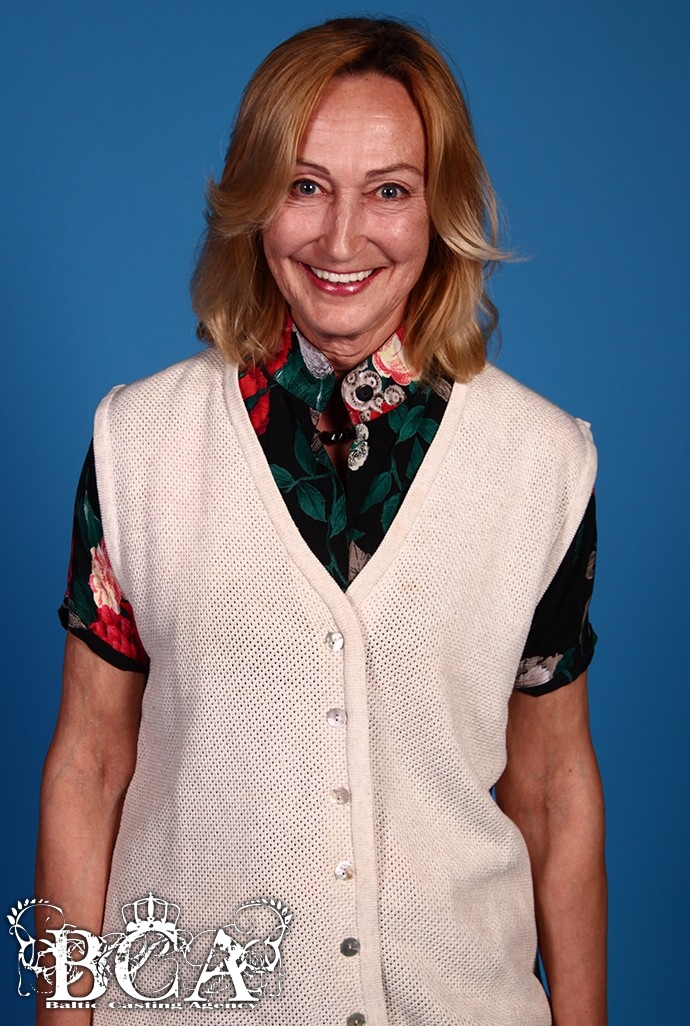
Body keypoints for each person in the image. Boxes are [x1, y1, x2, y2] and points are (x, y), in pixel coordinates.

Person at [37, 16, 606, 1026]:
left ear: (441, 209)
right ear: (255, 201)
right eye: (305, 186)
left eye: (389, 191)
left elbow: (555, 789)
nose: (342, 240)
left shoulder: (542, 462)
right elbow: (90, 765)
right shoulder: (138, 444)